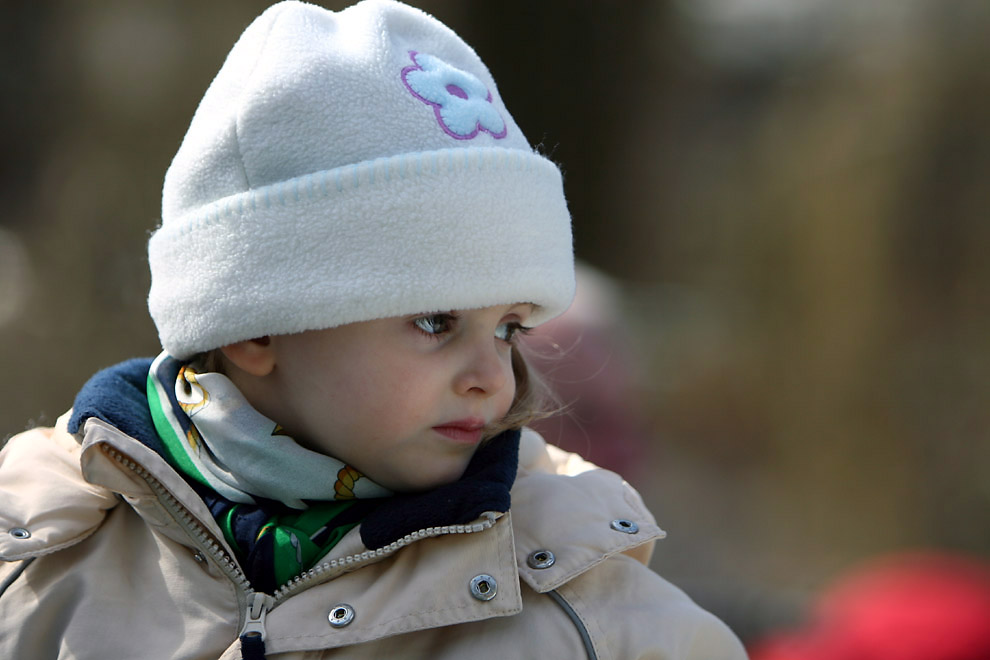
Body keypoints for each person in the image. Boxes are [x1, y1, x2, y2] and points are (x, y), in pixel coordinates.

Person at [0, 1, 747, 658]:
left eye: (510, 328)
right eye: (434, 321)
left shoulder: (595, 621)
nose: (495, 377)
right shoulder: (36, 559)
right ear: (258, 326)